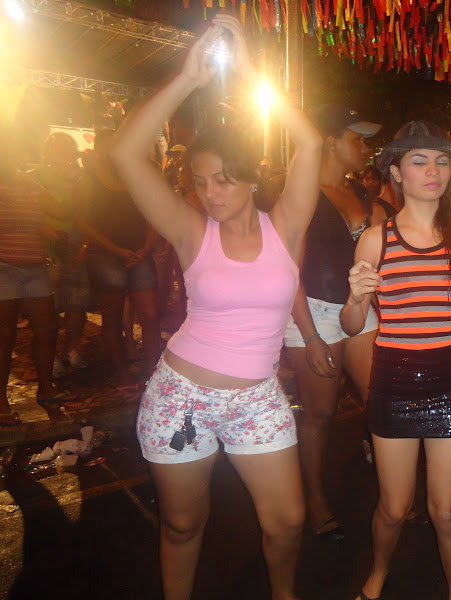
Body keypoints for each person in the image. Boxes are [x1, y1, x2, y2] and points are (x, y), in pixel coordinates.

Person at [108, 15, 322, 600]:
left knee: (287, 521)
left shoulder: (286, 228)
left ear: (251, 177)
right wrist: (187, 78)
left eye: (224, 180)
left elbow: (309, 143)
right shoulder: (190, 231)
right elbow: (125, 154)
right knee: (183, 524)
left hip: (257, 398)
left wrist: (251, 73)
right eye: (201, 182)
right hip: (181, 396)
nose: (210, 193)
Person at [341, 121, 451, 600]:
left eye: (442, 161)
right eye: (419, 161)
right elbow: (352, 325)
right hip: (393, 380)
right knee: (394, 508)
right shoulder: (375, 239)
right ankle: (378, 572)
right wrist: (355, 298)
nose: (433, 170)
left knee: (446, 510)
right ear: (396, 173)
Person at [282, 104, 381, 542]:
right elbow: (287, 269)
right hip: (313, 309)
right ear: (331, 141)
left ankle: (392, 484)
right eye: (358, 139)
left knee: (381, 399)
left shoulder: (361, 192)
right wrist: (308, 334)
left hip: (358, 306)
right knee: (319, 414)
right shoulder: (300, 191)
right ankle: (315, 499)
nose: (366, 147)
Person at [1, 137, 78, 426]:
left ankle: (46, 388)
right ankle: (0, 400)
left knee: (47, 329)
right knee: (4, 336)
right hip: (3, 269)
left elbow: (64, 211)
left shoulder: (32, 187)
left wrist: (67, 183)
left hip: (35, 268)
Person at [75, 128, 160, 389]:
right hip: (105, 255)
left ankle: (154, 374)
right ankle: (123, 377)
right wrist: (117, 250)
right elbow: (83, 223)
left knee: (150, 315)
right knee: (112, 319)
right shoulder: (89, 179)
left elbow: (151, 213)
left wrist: (146, 247)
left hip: (138, 252)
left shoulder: (135, 176)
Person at [28, 132, 92, 374]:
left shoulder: (83, 178)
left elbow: (90, 213)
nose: (62, 154)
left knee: (77, 302)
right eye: (57, 149)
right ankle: (51, 354)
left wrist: (85, 243)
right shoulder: (34, 177)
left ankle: (72, 349)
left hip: (75, 242)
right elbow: (28, 210)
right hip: (46, 246)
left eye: (66, 148)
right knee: (48, 305)